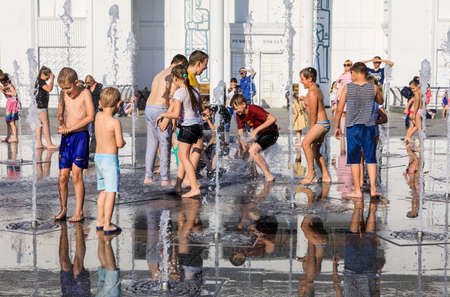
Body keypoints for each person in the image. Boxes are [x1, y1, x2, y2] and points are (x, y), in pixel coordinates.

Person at [334, 62, 383, 198]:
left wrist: (337, 126)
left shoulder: (347, 88)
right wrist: (377, 90)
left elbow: (339, 109)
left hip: (353, 127)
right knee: (371, 159)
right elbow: (380, 101)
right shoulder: (373, 87)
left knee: (355, 160)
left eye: (352, 74)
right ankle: (373, 190)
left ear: (355, 73)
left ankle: (357, 191)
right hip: (369, 127)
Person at [156, 65, 203, 198]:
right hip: (197, 126)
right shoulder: (194, 90)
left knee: (183, 158)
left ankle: (194, 187)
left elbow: (176, 114)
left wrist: (163, 115)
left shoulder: (179, 92)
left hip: (187, 127)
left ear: (175, 79)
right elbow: (200, 108)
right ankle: (178, 186)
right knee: (184, 156)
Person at [55, 67, 95, 222]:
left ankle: (79, 211)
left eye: (68, 88)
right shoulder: (63, 94)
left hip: (80, 137)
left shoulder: (85, 94)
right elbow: (60, 113)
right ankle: (64, 208)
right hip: (66, 137)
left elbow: (90, 116)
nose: (66, 92)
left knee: (77, 175)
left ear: (76, 82)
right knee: (63, 176)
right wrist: (60, 122)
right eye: (63, 89)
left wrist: (72, 127)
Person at [144, 54, 188, 186]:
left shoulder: (159, 74)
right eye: (183, 67)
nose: (183, 71)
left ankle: (148, 176)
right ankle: (164, 178)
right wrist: (170, 119)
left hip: (148, 108)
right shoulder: (173, 76)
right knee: (165, 144)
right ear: (179, 63)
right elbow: (171, 98)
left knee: (151, 143)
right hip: (161, 109)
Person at [94, 87, 125, 234]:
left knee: (103, 191)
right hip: (110, 160)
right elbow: (119, 143)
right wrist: (123, 141)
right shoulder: (114, 122)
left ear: (101, 102)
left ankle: (100, 221)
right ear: (118, 104)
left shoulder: (98, 116)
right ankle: (107, 224)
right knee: (111, 191)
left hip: (98, 157)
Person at [230, 93, 278, 182]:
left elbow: (273, 119)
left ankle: (269, 175)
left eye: (236, 109)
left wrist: (256, 130)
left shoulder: (254, 109)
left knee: (253, 151)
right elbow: (240, 131)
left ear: (243, 104)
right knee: (246, 150)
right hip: (261, 134)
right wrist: (242, 142)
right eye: (234, 110)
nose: (236, 111)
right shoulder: (239, 115)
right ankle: (253, 173)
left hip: (271, 133)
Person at [299, 67, 331, 184]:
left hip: (320, 124)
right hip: (323, 123)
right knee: (315, 150)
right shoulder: (314, 89)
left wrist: (311, 130)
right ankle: (326, 176)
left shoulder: (312, 92)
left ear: (310, 79)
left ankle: (311, 172)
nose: (301, 81)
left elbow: (313, 113)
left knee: (305, 143)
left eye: (302, 79)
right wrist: (304, 99)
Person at [58, 222, 90, 297]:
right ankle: (79, 224)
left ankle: (63, 226)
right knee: (77, 268)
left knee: (64, 263)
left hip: (67, 294)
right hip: (82, 294)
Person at [35, 66, 58, 150]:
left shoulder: (38, 81)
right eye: (48, 77)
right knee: (45, 124)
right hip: (41, 106)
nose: (48, 79)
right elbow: (49, 89)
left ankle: (39, 143)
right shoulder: (41, 81)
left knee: (39, 124)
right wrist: (52, 79)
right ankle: (49, 144)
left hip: (37, 105)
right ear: (43, 74)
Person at [85, 75, 103, 154]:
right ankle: (91, 145)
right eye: (86, 82)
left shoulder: (98, 87)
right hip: (90, 109)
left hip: (97, 108)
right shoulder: (87, 88)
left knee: (96, 127)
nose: (87, 84)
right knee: (90, 127)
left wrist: (100, 104)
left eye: (88, 82)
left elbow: (102, 96)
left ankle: (95, 145)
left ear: (92, 80)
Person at [0, 72, 20, 143]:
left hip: (13, 104)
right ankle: (8, 137)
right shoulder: (5, 86)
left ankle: (15, 138)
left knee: (12, 122)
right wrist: (3, 90)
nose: (2, 83)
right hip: (9, 104)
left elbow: (14, 94)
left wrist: (5, 92)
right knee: (8, 122)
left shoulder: (10, 85)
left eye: (2, 82)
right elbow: (7, 96)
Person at [405, 80, 423, 145]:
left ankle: (408, 137)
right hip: (420, 111)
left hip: (418, 111)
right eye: (411, 88)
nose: (412, 90)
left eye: (413, 88)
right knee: (419, 128)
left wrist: (414, 113)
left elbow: (417, 103)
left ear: (418, 86)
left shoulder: (416, 93)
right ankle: (420, 144)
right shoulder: (421, 92)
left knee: (419, 129)